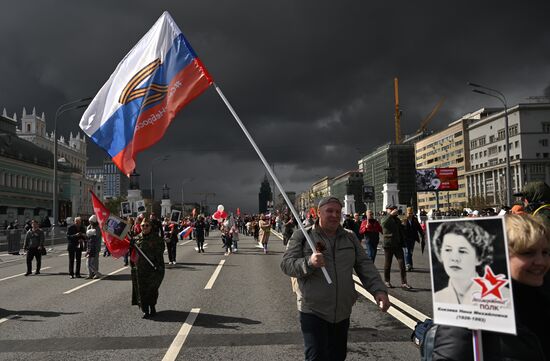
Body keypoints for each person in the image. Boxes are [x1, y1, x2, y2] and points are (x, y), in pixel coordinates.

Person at [281, 196, 390, 361]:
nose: (334, 215)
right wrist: (309, 262)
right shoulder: (302, 236)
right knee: (316, 357)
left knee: (338, 356)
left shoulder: (350, 237)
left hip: (342, 311)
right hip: (313, 310)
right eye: (329, 211)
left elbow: (365, 265)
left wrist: (379, 290)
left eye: (337, 212)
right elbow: (286, 265)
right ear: (319, 213)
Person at [430, 214, 550, 361]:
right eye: (527, 253)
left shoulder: (541, 295)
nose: (541, 261)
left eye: (545, 252)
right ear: (503, 255)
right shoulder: (469, 307)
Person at [431, 220, 500, 305]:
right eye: (448, 250)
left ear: (479, 257)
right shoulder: (437, 298)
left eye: (462, 251)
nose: (454, 258)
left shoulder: (501, 298)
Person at [131, 217, 165, 318]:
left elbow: (161, 250)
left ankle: (152, 307)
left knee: (152, 289)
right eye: (142, 225)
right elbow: (132, 254)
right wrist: (131, 245)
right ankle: (145, 310)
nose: (144, 227)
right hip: (140, 269)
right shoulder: (136, 239)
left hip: (153, 268)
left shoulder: (156, 238)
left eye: (147, 225)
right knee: (141, 290)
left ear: (150, 227)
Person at [380, 205, 411, 289]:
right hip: (388, 245)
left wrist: (405, 223)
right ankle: (387, 281)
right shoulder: (385, 217)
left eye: (394, 209)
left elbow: (400, 230)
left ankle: (404, 283)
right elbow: (383, 224)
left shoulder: (397, 219)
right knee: (387, 264)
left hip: (397, 244)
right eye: (391, 209)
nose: (394, 210)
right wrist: (390, 215)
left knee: (402, 264)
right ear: (387, 210)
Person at [402, 207, 425, 271]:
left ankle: (410, 265)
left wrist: (422, 234)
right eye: (409, 213)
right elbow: (400, 229)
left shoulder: (415, 220)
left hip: (412, 239)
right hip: (405, 239)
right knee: (407, 252)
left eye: (411, 213)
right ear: (406, 213)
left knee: (410, 252)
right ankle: (407, 265)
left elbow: (419, 228)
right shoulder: (403, 220)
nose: (410, 214)